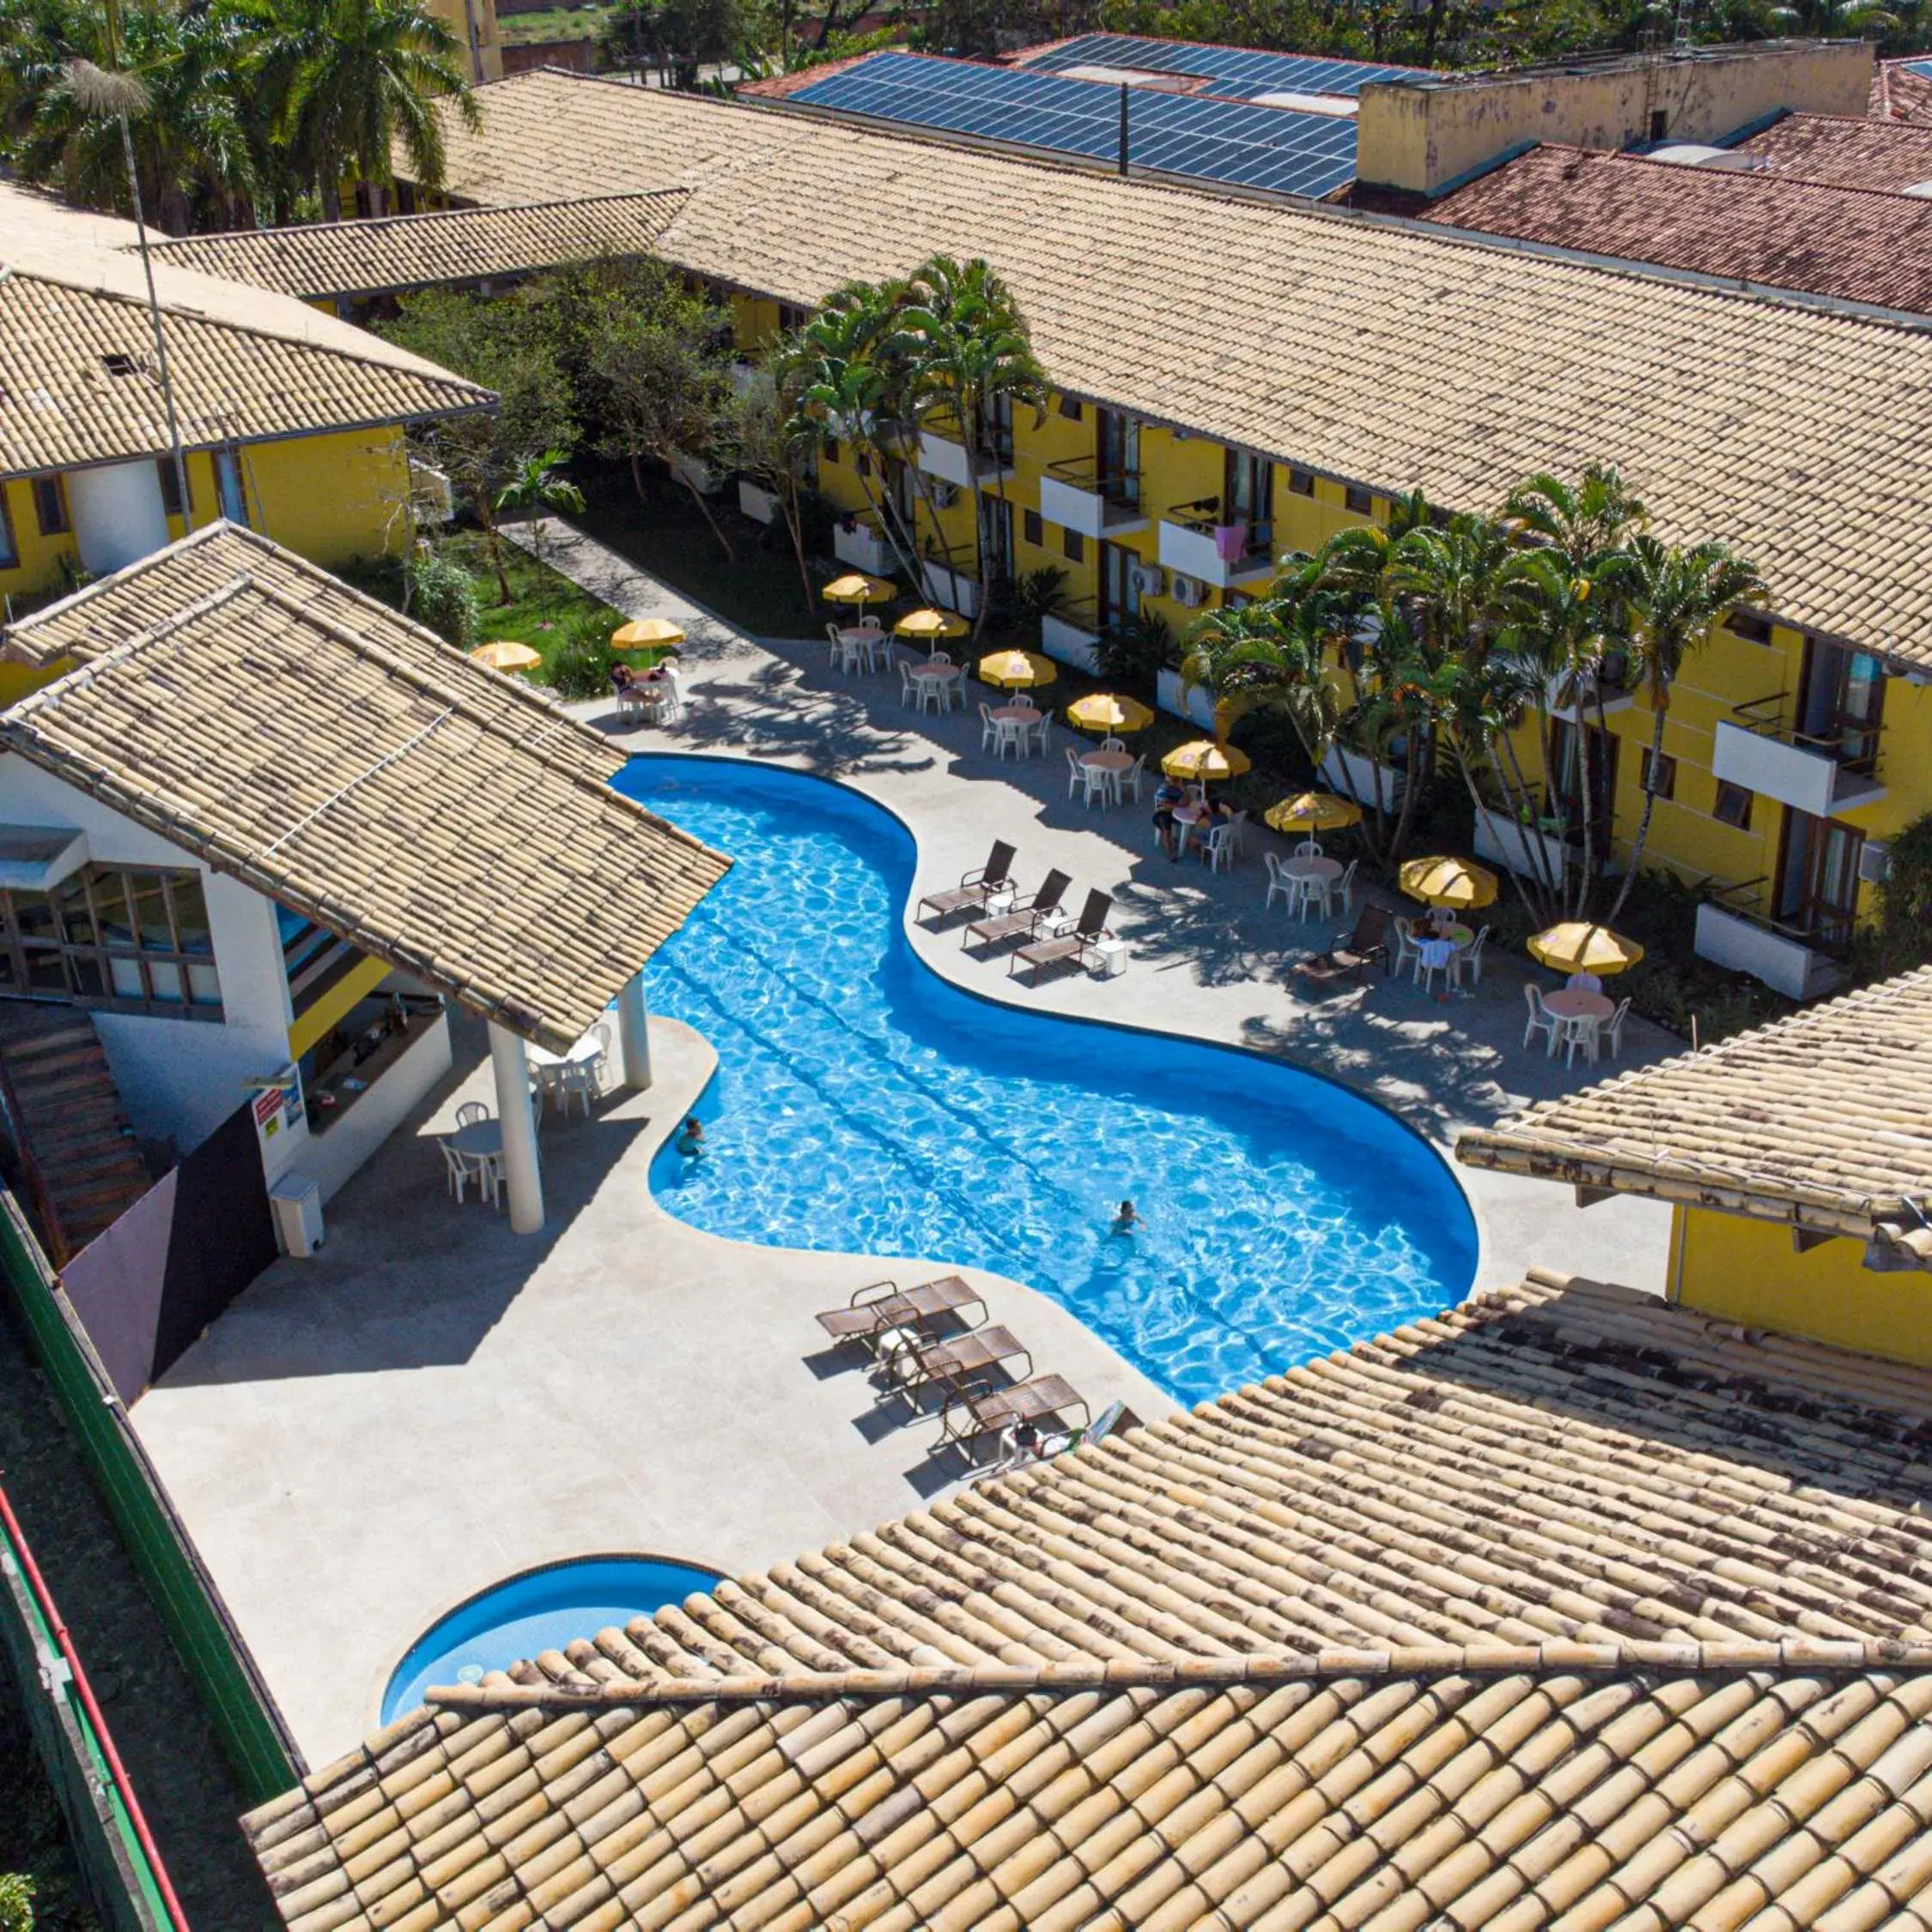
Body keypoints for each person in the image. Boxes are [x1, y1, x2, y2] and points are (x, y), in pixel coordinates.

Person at [1151, 778, 1185, 860]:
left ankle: (1191, 843)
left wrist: (1184, 790)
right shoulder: (1164, 789)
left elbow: (1188, 802)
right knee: (1167, 831)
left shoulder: (1179, 790)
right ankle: (1170, 852)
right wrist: (1180, 805)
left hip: (1174, 813)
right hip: (1161, 813)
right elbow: (1166, 806)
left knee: (1187, 825)